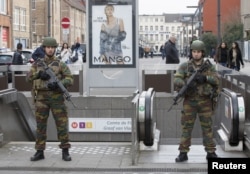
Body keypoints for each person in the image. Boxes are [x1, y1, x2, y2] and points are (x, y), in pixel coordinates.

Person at [26, 37, 73, 162]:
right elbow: (28, 78)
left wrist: (59, 84)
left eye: (52, 47)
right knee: (41, 126)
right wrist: (39, 74)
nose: (50, 49)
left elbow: (70, 78)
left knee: (62, 125)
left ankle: (65, 150)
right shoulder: (37, 64)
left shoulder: (60, 64)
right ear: (44, 48)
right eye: (48, 47)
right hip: (41, 98)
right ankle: (39, 151)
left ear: (55, 49)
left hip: (57, 97)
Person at [174, 40, 219, 162]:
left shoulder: (209, 66)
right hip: (190, 101)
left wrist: (205, 78)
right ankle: (183, 152)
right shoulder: (185, 66)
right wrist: (187, 85)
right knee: (186, 127)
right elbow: (176, 80)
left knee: (207, 128)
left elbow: (216, 80)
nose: (196, 54)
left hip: (205, 101)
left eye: (198, 52)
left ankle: (210, 152)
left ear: (202, 53)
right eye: (194, 51)